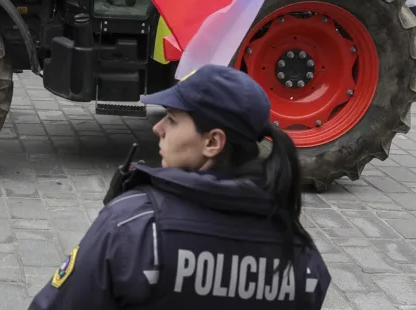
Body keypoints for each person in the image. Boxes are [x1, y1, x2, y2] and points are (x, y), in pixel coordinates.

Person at [29, 65, 329, 309]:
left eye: (172, 120)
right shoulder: (303, 257)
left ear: (212, 142)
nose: (157, 129)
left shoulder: (135, 228)